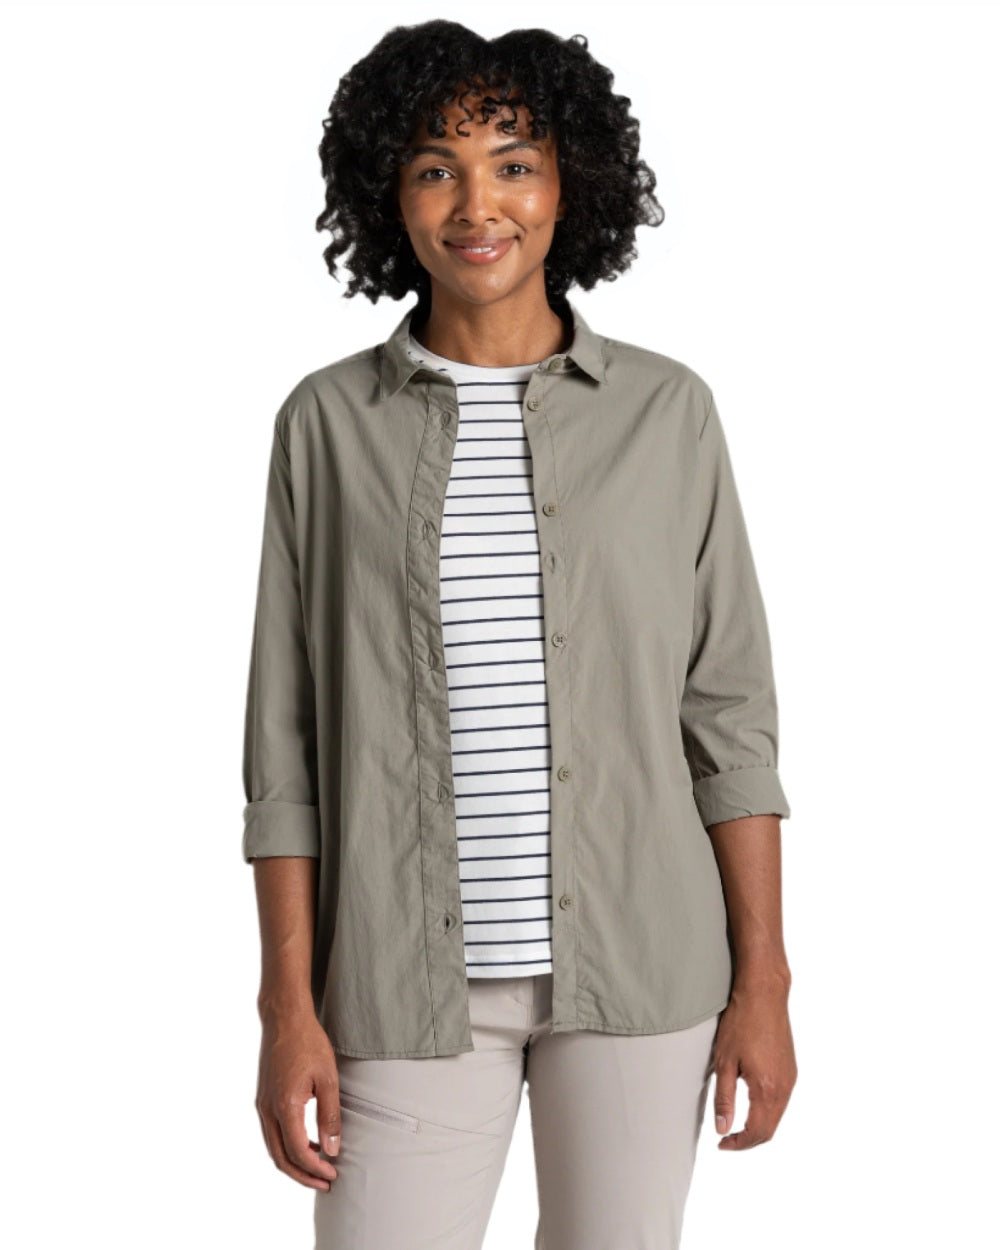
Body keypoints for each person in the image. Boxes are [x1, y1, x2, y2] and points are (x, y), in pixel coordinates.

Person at [242, 19, 797, 1250]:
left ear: (568, 184)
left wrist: (764, 978)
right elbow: (285, 753)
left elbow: (728, 721)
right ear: (388, 193)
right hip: (397, 976)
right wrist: (285, 1003)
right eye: (434, 167)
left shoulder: (668, 413)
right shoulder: (326, 424)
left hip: (640, 965)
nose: (476, 204)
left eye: (514, 163)